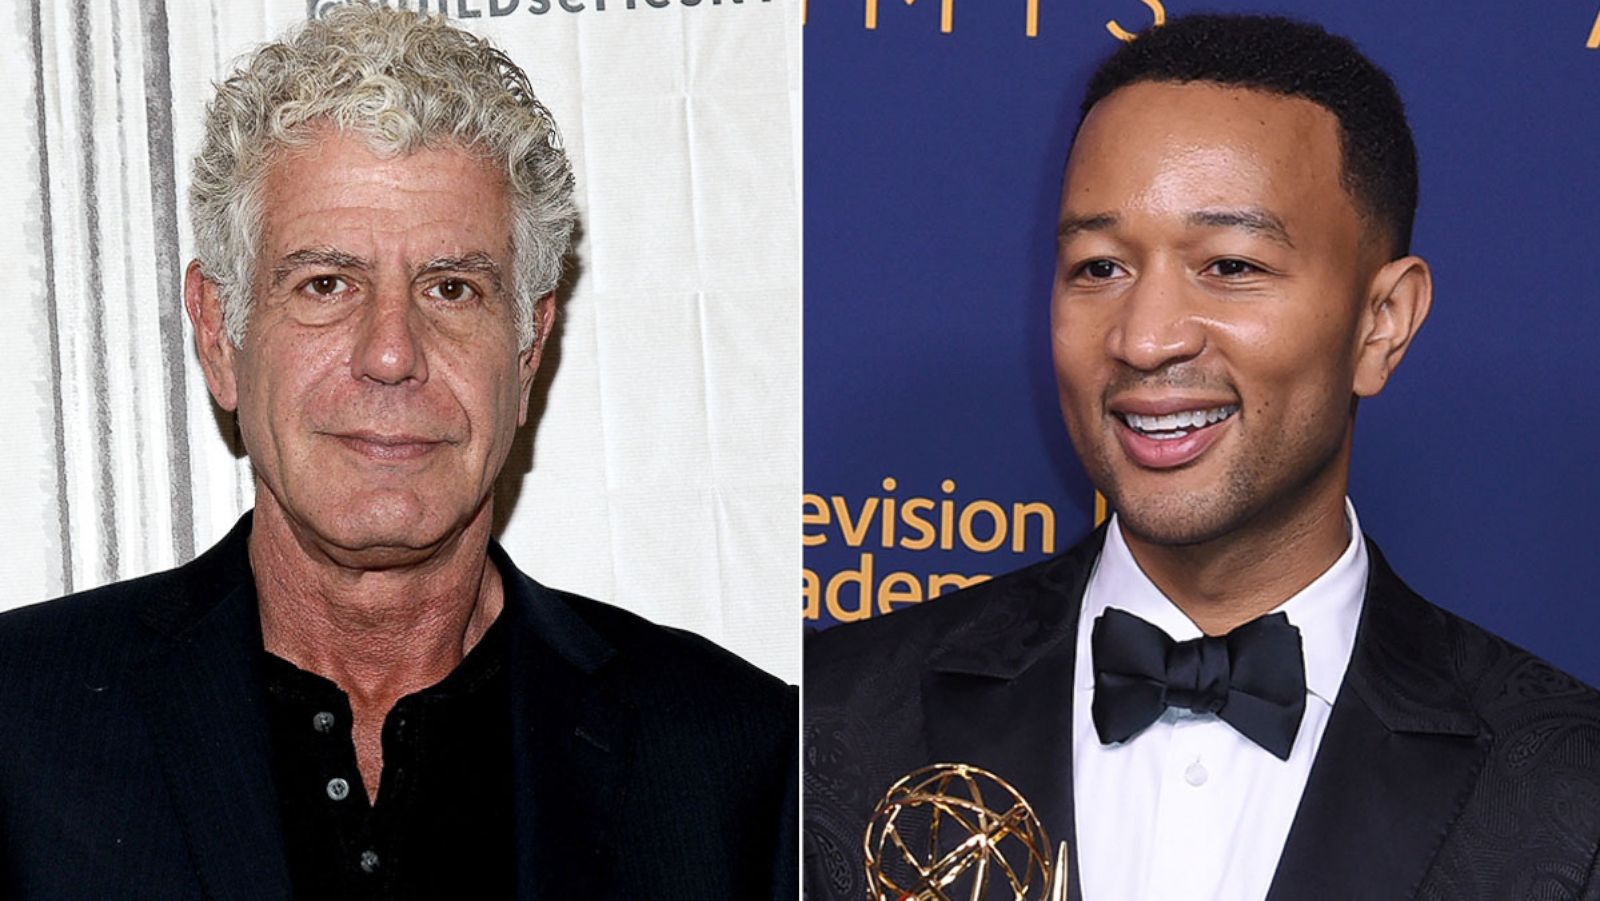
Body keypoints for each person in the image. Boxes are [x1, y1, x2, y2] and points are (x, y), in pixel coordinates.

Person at [0, 6, 794, 899]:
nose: (390, 352)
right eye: (326, 283)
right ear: (220, 333)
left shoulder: (739, 761)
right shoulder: (19, 724)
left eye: (451, 288)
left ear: (529, 350)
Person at [804, 13, 1600, 901]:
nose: (1144, 340)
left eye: (1229, 266)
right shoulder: (825, 726)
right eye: (1100, 267)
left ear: (1382, 323)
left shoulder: (1573, 790)